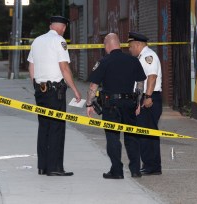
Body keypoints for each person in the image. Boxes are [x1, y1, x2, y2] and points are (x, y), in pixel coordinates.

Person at [86, 33, 146, 179]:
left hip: (111, 105)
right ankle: (135, 170)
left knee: (113, 138)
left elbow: (93, 86)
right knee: (131, 137)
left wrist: (89, 103)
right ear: (119, 44)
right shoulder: (133, 60)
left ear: (107, 45)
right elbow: (140, 84)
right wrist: (138, 102)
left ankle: (117, 171)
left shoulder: (104, 61)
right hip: (129, 104)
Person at [27, 16, 81, 176]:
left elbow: (31, 66)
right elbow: (64, 67)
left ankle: (43, 166)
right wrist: (75, 90)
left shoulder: (37, 41)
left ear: (50, 25)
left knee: (44, 128)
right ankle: (55, 168)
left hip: (40, 90)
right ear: (63, 28)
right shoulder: (60, 41)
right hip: (54, 92)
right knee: (56, 128)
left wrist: (37, 85)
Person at [128, 31, 163, 176]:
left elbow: (152, 77)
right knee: (144, 132)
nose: (129, 49)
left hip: (150, 98)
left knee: (148, 133)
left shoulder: (149, 56)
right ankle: (149, 164)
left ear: (137, 44)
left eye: (130, 46)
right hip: (144, 97)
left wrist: (147, 97)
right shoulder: (142, 57)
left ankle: (152, 166)